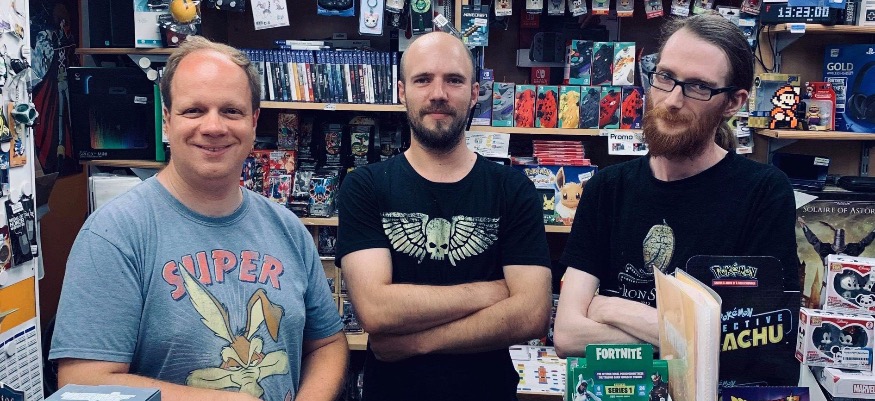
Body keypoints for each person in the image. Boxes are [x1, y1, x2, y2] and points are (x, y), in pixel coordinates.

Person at [49, 36, 348, 401]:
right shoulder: (114, 234)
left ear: (254, 122)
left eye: (231, 111)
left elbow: (327, 343)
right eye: (194, 110)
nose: (213, 127)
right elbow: (83, 382)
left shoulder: (287, 228)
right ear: (167, 120)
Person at [554, 14, 798, 356]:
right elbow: (568, 335)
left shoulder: (763, 193)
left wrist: (613, 308)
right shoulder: (607, 189)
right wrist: (694, 336)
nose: (672, 100)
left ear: (733, 103)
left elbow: (755, 344)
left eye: (698, 86)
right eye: (665, 77)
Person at [336, 31, 552, 401]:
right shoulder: (365, 186)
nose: (438, 93)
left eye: (454, 80)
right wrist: (494, 290)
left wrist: (416, 342)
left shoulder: (512, 189)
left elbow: (532, 314)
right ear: (402, 92)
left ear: (474, 93)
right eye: (423, 80)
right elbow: (375, 310)